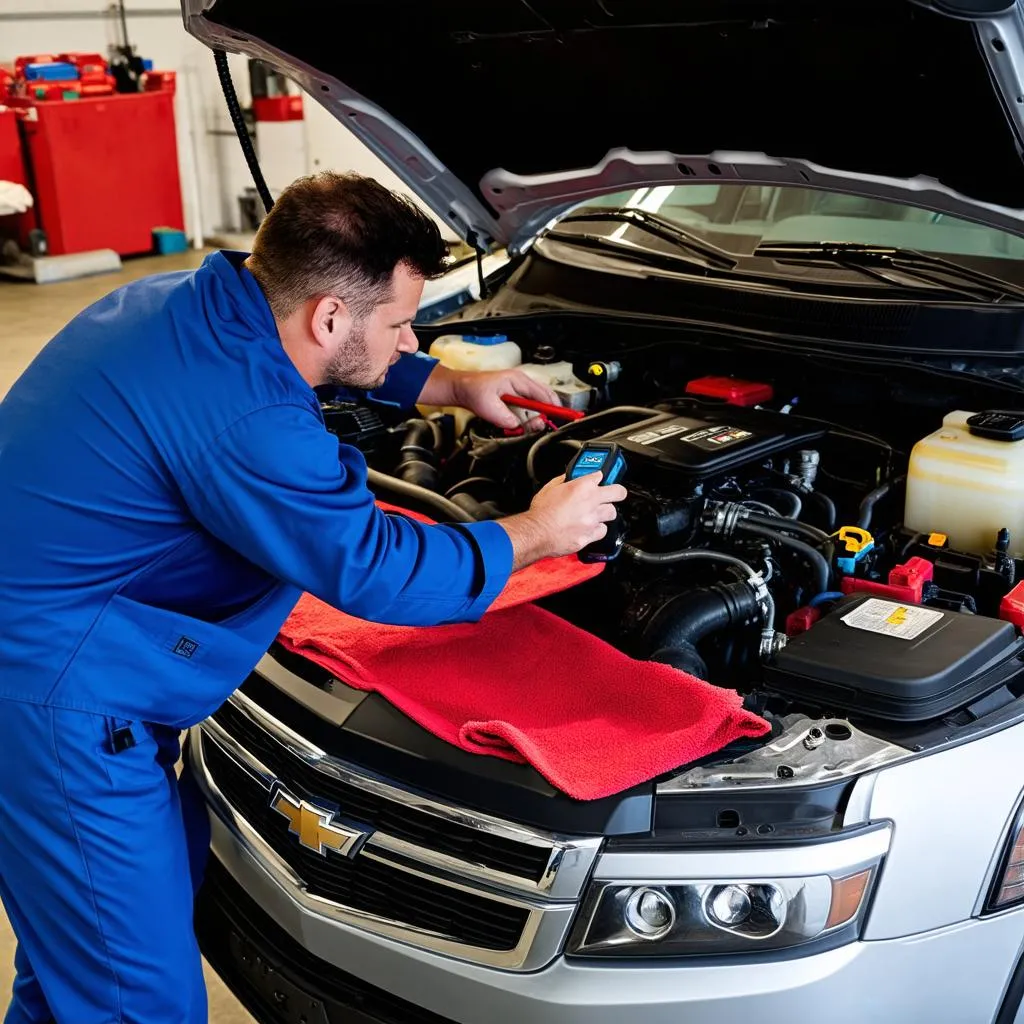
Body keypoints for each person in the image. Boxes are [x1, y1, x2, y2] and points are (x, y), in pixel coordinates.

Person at [0, 171, 626, 1023]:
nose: (412, 340)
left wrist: (450, 387)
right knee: (130, 999)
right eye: (402, 324)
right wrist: (539, 531)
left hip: (60, 652)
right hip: (57, 700)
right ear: (330, 315)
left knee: (81, 954)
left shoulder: (183, 304)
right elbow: (374, 567)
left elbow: (322, 361)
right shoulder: (249, 418)